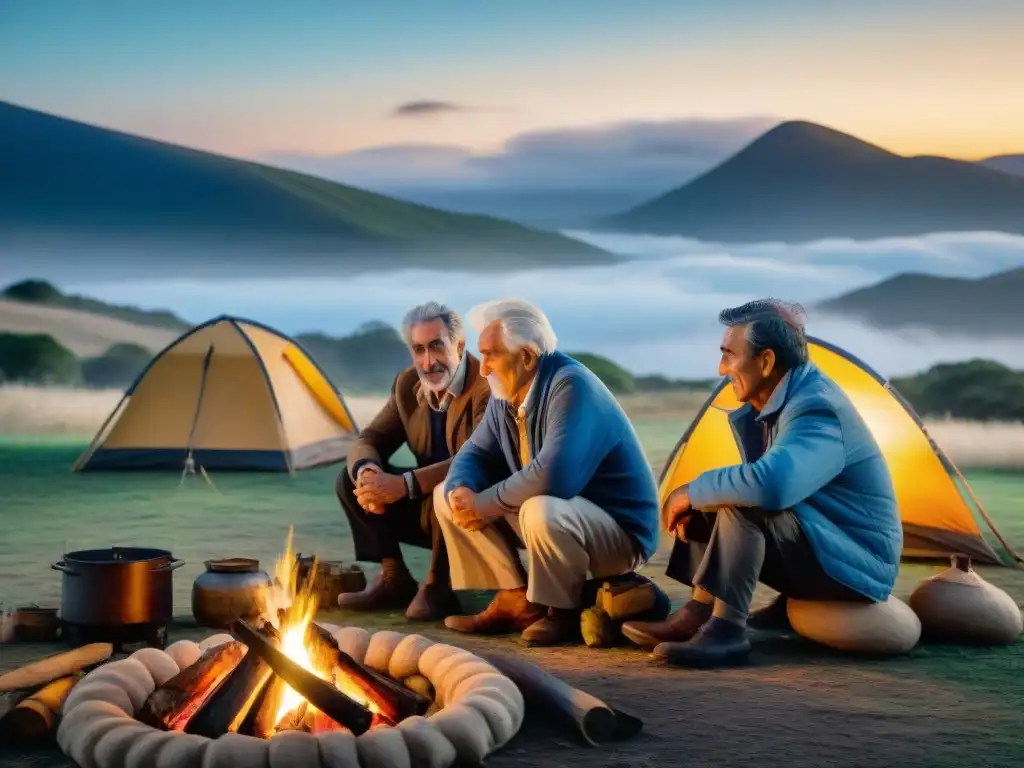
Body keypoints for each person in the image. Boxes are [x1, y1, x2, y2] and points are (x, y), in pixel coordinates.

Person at [621, 298, 902, 666]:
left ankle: (727, 633)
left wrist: (691, 490)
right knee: (719, 494)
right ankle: (698, 613)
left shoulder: (816, 406)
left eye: (729, 355)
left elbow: (773, 487)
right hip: (827, 539)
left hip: (860, 562)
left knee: (742, 501)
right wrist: (701, 496)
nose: (722, 368)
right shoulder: (787, 395)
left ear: (767, 361)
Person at [433, 298, 661, 646]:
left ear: (526, 356)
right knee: (445, 495)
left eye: (492, 355)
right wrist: (463, 489)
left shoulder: (571, 385)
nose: (483, 369)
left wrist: (485, 503)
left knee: (541, 506)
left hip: (618, 531)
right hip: (559, 519)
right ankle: (517, 597)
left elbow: (555, 477)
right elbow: (476, 451)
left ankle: (561, 612)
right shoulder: (505, 393)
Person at [335, 301, 491, 620]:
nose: (428, 361)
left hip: (479, 505)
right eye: (418, 349)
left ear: (459, 345)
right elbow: (370, 439)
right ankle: (395, 578)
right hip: (428, 506)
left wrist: (405, 484)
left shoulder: (486, 386)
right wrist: (369, 474)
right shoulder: (407, 384)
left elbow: (478, 457)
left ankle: (439, 585)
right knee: (347, 477)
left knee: (447, 489)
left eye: (436, 346)